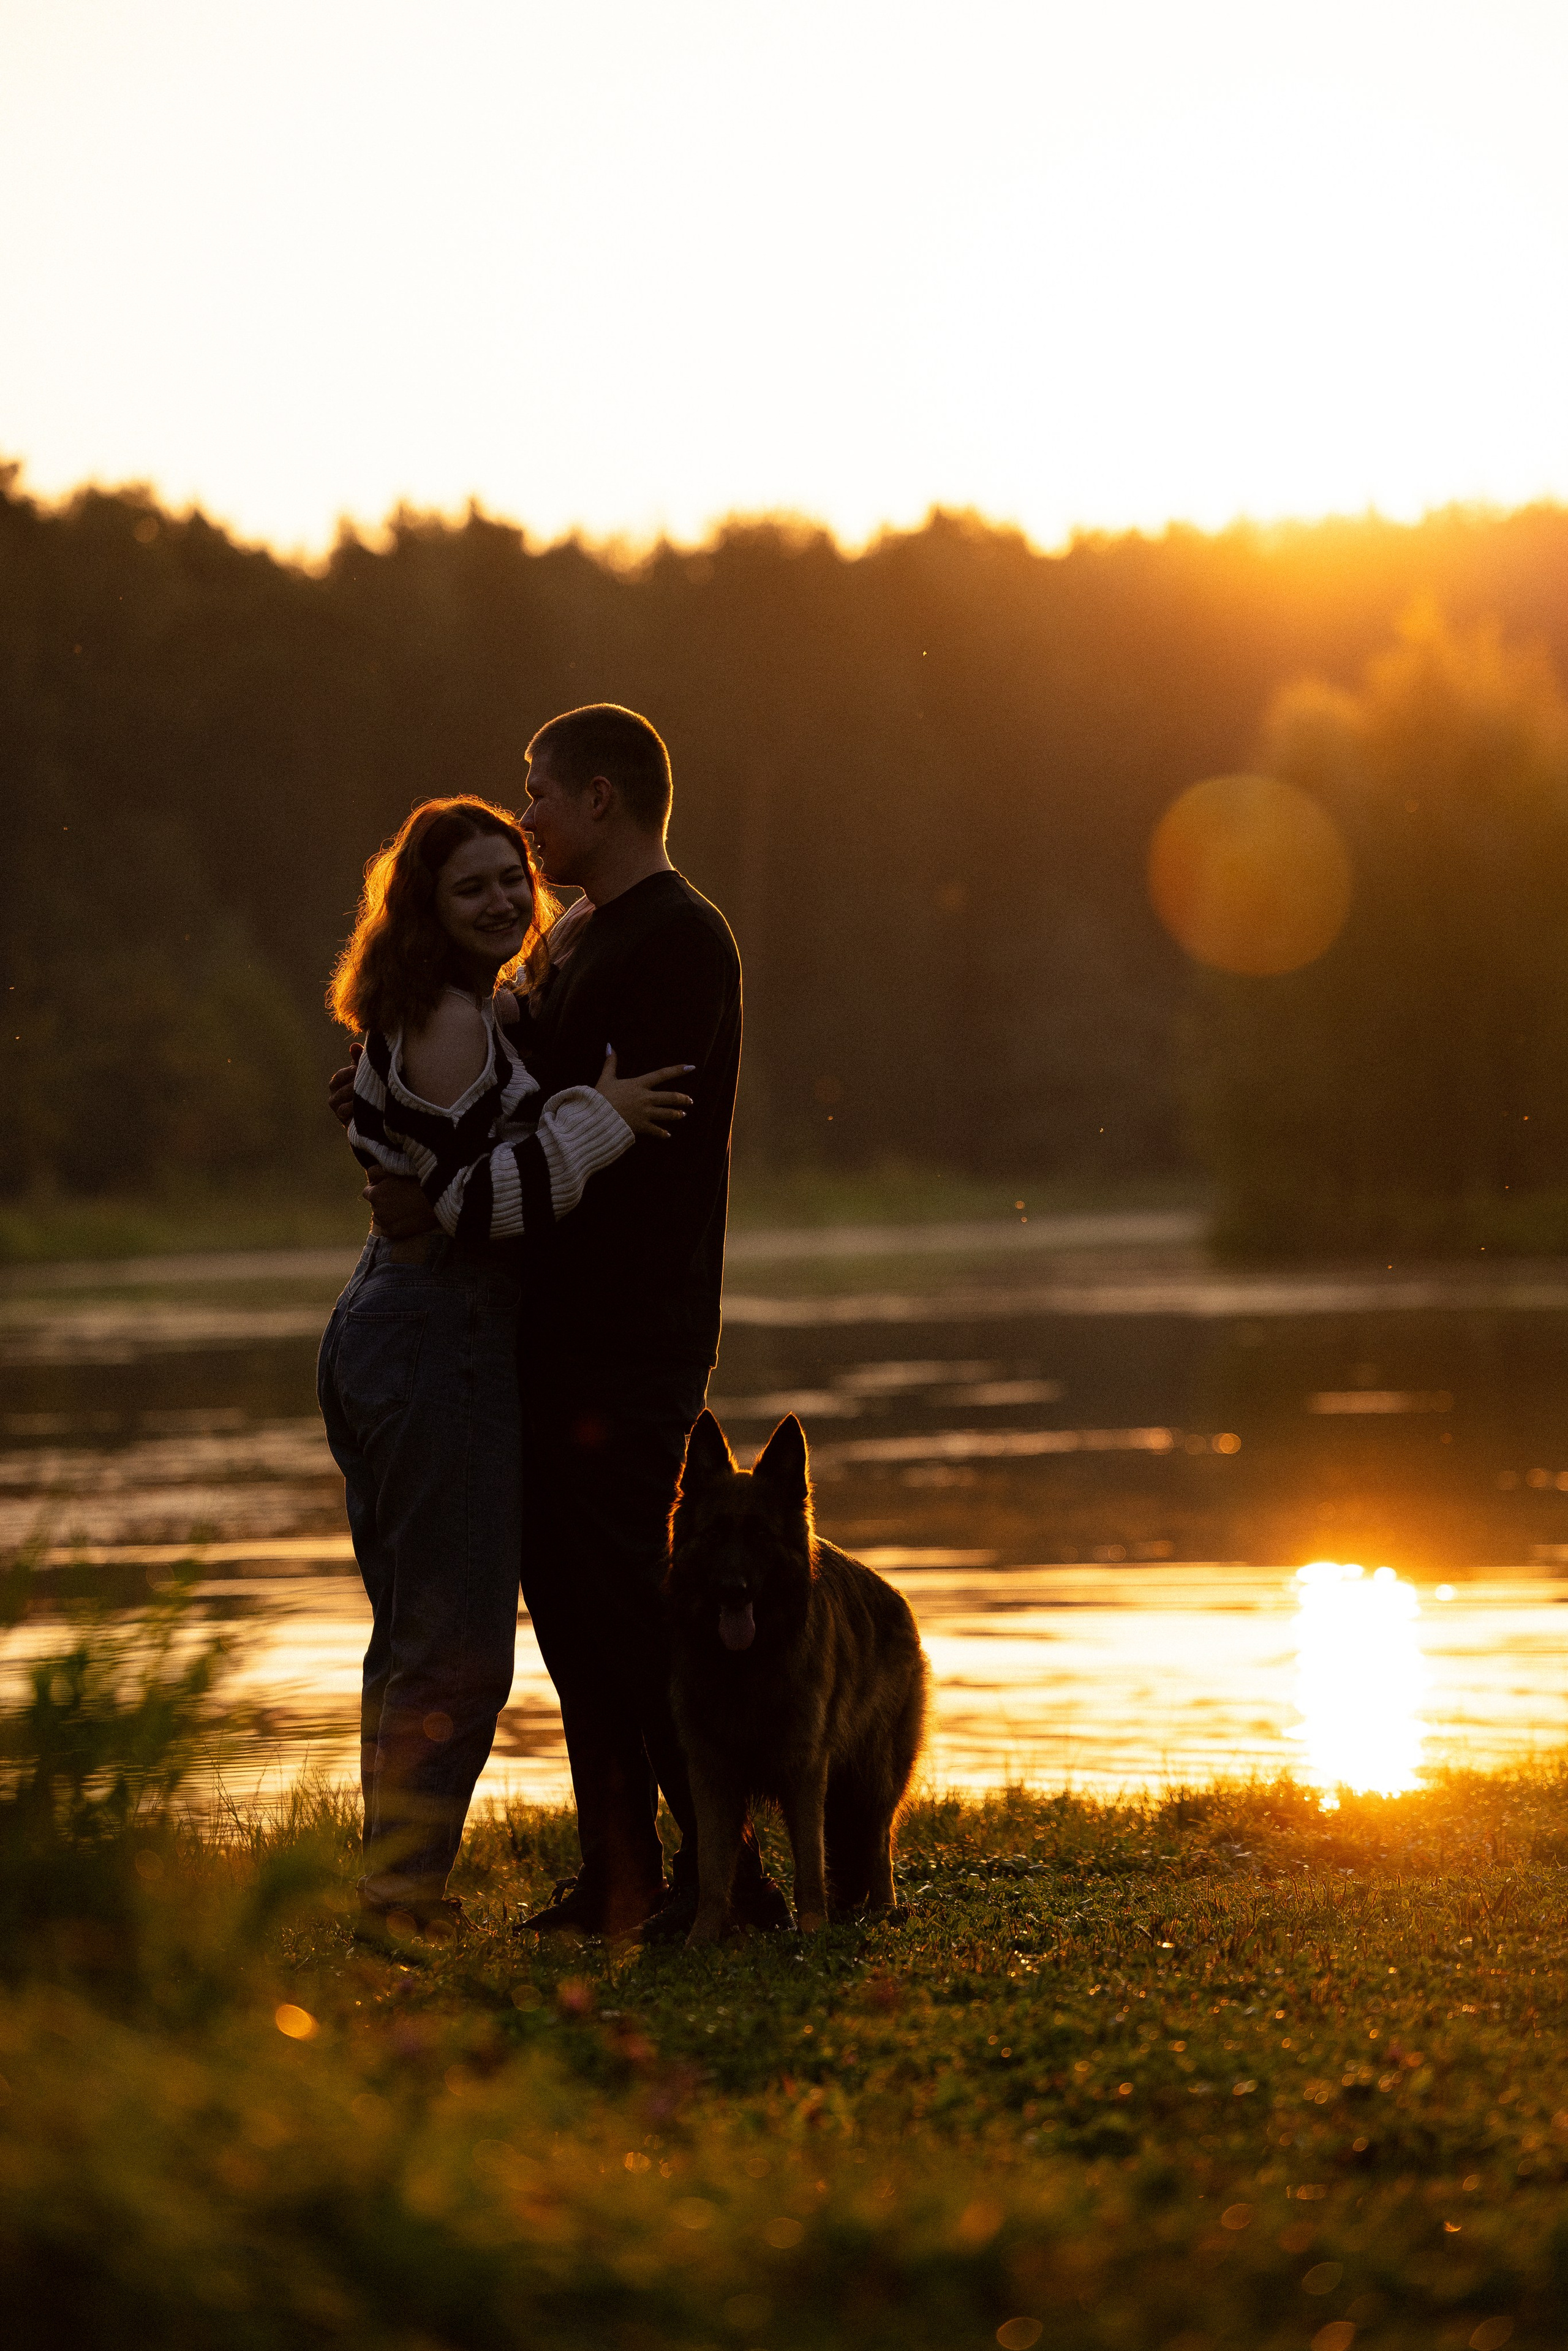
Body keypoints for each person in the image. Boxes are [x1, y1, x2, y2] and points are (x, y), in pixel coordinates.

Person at [354, 706, 787, 1938]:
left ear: (601, 798)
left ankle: (722, 1870)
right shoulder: (581, 938)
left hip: (630, 1327)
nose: (526, 815)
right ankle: (617, 1872)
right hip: (545, 1326)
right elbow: (500, 1094)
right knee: (575, 1610)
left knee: (625, 1603)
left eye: (537, 793)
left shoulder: (682, 940)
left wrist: (476, 1156)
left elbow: (605, 1139)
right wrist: (395, 1095)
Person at [318, 794, 692, 1935]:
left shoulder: (459, 1010)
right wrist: (604, 1116)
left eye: (507, 878)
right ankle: (397, 1902)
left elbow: (428, 1147)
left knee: (414, 1632)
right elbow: (482, 1206)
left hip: (404, 1323)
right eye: (467, 884)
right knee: (457, 1648)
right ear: (426, 905)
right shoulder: (446, 1018)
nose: (496, 899)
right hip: (439, 1330)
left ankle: (395, 1891)